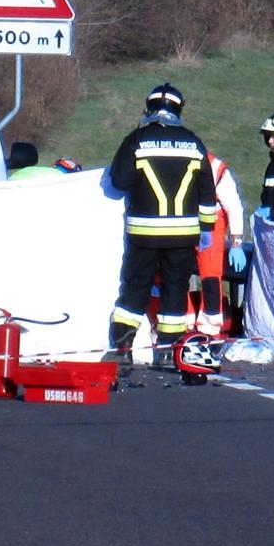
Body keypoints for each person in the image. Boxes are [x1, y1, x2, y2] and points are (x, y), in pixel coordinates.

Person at [108, 82, 217, 371]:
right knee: (175, 291)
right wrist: (206, 230)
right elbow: (208, 194)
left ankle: (121, 350)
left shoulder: (137, 140)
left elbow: (118, 182)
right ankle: (169, 352)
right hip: (183, 236)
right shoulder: (194, 143)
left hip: (144, 233)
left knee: (134, 290)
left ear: (149, 108)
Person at [194, 151, 246, 335]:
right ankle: (180, 320)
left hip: (210, 225)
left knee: (210, 274)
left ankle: (210, 327)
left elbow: (233, 206)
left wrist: (236, 243)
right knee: (170, 273)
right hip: (181, 222)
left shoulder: (216, 169)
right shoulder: (173, 159)